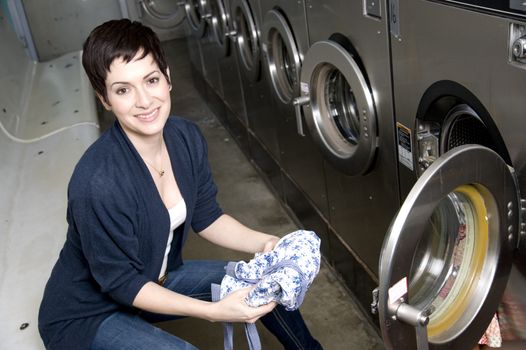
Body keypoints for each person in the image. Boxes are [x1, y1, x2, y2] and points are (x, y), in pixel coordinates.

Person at [38, 19, 322, 350]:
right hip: (89, 314)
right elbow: (122, 284)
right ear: (105, 99)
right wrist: (213, 311)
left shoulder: (185, 138)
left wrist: (267, 243)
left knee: (257, 279)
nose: (144, 101)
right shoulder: (98, 181)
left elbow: (207, 216)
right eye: (123, 90)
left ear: (168, 78)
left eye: (151, 79)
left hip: (153, 280)